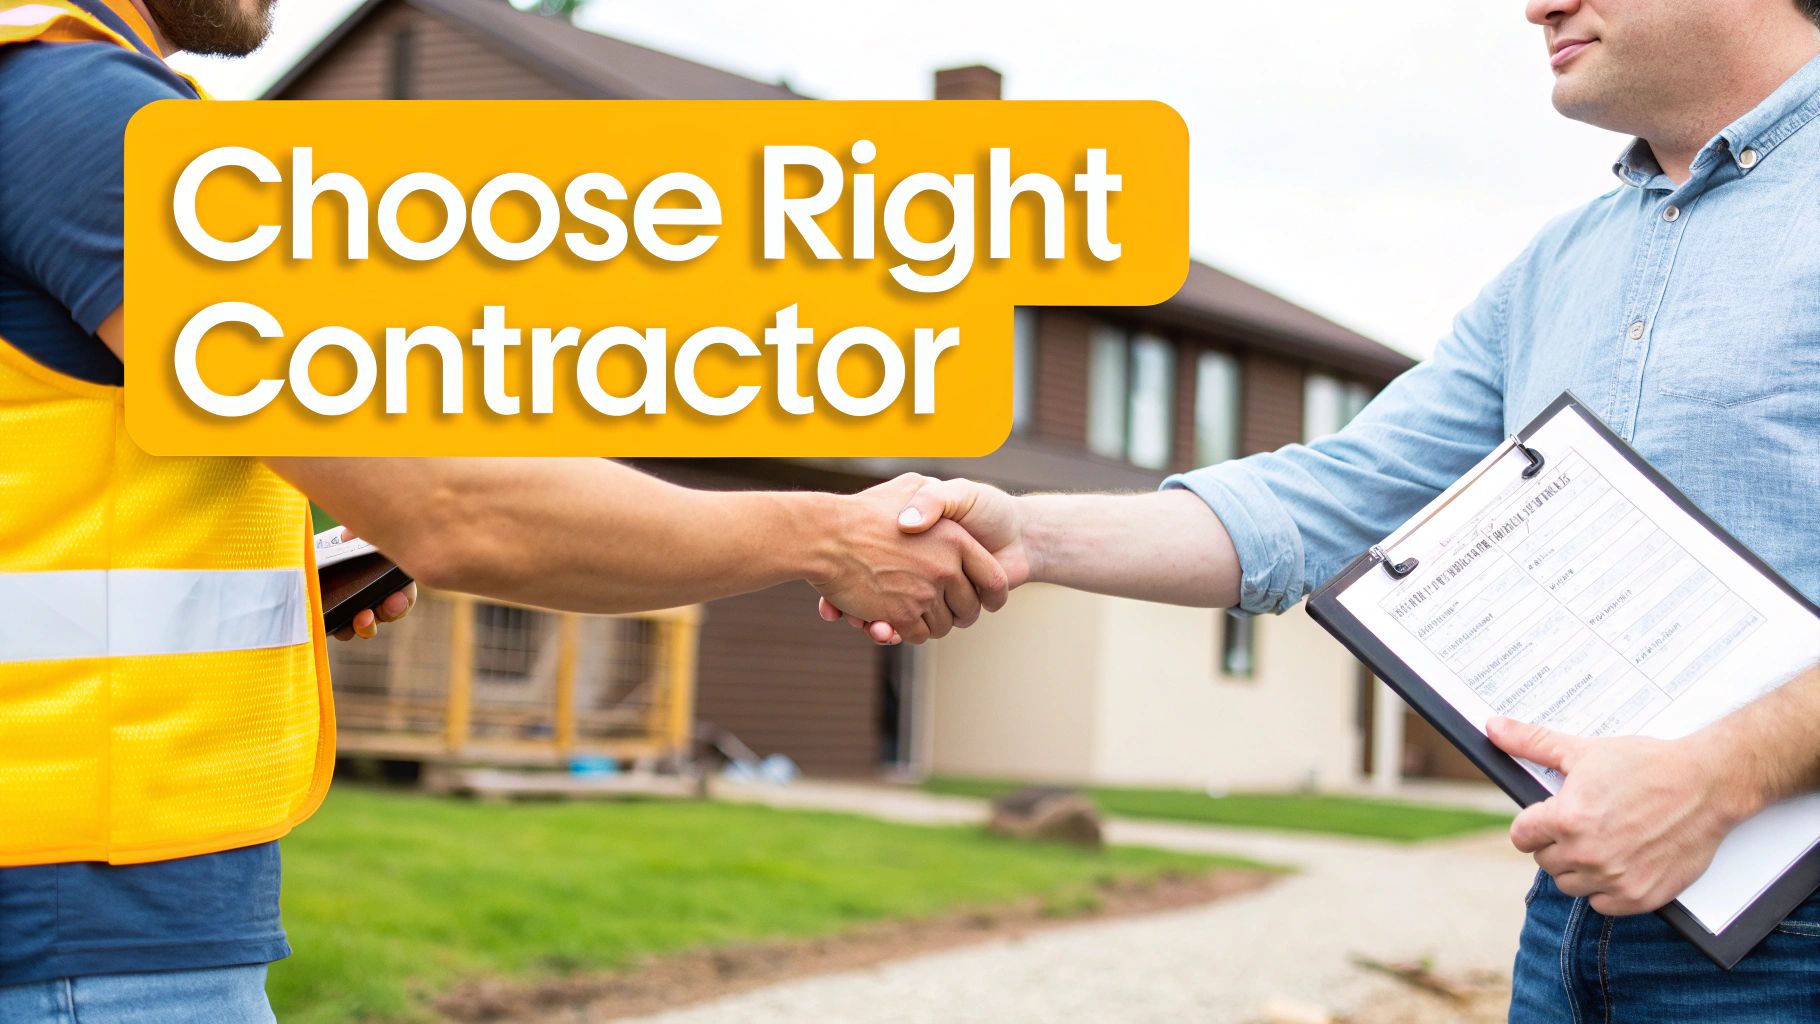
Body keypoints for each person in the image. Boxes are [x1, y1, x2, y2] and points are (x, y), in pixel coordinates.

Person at [0, 0, 1009, 1018]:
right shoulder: (89, 116)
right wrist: (824, 534)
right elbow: (452, 504)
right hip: (87, 923)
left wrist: (285, 583)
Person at [828, 0, 1820, 1018]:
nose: (1537, 6)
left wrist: (1722, 776)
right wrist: (1025, 534)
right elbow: (1333, 497)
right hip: (1574, 921)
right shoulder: (1553, 271)